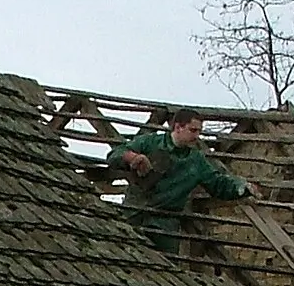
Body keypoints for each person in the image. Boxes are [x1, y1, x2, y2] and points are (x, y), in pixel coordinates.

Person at [105, 108, 258, 253]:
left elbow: (217, 183)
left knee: (164, 272)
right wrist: (132, 157)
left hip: (164, 227)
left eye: (199, 131)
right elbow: (114, 155)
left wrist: (242, 188)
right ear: (178, 127)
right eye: (193, 130)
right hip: (133, 214)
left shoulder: (196, 161)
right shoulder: (150, 143)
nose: (197, 136)